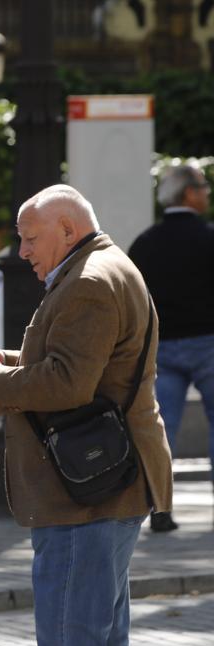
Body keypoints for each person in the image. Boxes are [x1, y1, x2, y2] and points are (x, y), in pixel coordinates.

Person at [0, 185, 172, 646]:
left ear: (67, 230)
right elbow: (82, 366)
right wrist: (8, 364)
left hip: (89, 493)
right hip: (105, 483)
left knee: (69, 639)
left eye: (31, 239)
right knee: (101, 640)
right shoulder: (103, 267)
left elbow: (68, 383)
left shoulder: (89, 283)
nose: (23, 252)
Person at [128, 163, 214, 533]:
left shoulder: (145, 243)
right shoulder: (209, 238)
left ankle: (160, 508)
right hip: (209, 344)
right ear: (189, 193)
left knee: (162, 430)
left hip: (162, 347)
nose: (207, 193)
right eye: (204, 187)